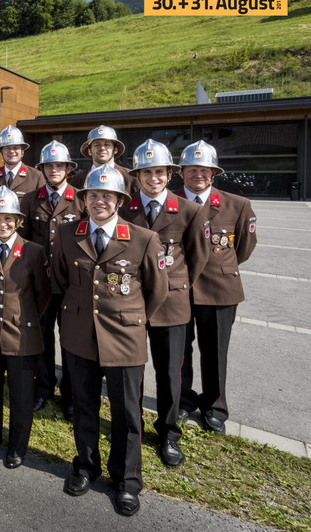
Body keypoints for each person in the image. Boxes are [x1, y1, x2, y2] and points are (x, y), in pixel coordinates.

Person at [52, 164, 168, 517]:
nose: (99, 201)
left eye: (107, 196)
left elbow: (157, 291)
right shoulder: (67, 234)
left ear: (120, 200)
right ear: (84, 199)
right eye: (93, 195)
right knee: (84, 406)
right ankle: (86, 466)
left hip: (124, 338)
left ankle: (127, 480)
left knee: (127, 413)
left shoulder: (143, 238)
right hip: (79, 336)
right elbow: (60, 279)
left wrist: (129, 318)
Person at [120, 139, 210, 467]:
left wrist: (175, 286)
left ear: (170, 174)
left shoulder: (189, 211)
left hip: (172, 305)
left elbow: (198, 258)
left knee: (170, 373)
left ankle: (169, 432)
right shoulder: (124, 209)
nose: (153, 178)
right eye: (146, 172)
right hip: (131, 302)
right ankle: (131, 427)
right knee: (131, 371)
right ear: (137, 176)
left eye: (159, 172)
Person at [178, 140, 257, 435]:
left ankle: (214, 407)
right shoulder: (170, 202)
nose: (198, 174)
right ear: (181, 172)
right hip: (179, 291)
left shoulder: (237, 204)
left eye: (204, 169)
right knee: (179, 352)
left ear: (214, 173)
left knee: (215, 351)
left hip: (220, 290)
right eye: (192, 169)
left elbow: (244, 248)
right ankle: (183, 400)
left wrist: (220, 268)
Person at [0, 186, 51, 468]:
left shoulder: (33, 251)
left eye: (8, 218)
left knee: (21, 394)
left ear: (18, 221)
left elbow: (42, 295)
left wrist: (21, 317)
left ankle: (17, 447)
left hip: (22, 334)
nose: (2, 224)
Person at [19, 140, 84, 419]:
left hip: (72, 284)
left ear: (68, 168)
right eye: (49, 166)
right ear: (42, 169)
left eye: (59, 165)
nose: (54, 170)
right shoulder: (30, 199)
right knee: (42, 338)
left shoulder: (81, 198)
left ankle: (71, 395)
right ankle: (44, 388)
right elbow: (23, 242)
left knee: (71, 341)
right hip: (42, 283)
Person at [70, 125, 138, 196]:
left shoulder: (130, 177)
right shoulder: (78, 179)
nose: (102, 148)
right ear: (89, 151)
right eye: (97, 145)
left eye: (107, 144)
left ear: (115, 150)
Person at [0, 125, 45, 200]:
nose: (11, 151)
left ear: (22, 151)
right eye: (7, 148)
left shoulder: (36, 177)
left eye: (16, 147)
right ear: (1, 151)